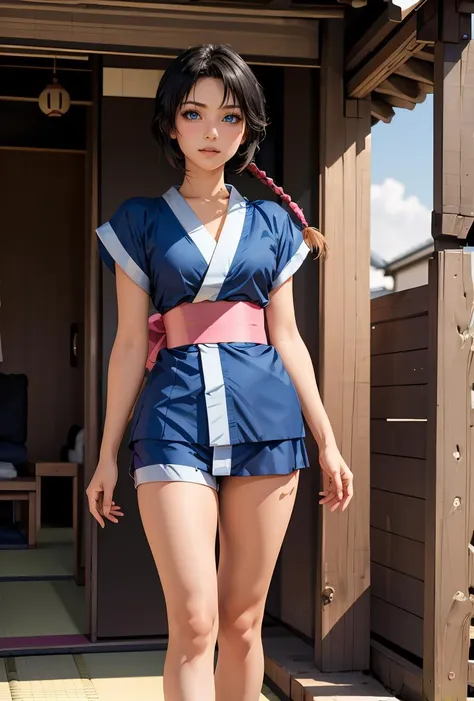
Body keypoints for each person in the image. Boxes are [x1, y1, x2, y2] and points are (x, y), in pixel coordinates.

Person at [86, 43, 353, 701]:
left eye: (230, 117)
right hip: (171, 420)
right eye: (195, 113)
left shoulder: (273, 224)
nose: (212, 132)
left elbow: (288, 338)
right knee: (196, 620)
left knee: (240, 622)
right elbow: (127, 345)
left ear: (248, 128)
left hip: (267, 423)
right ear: (171, 124)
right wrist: (104, 455)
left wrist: (327, 439)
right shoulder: (140, 221)